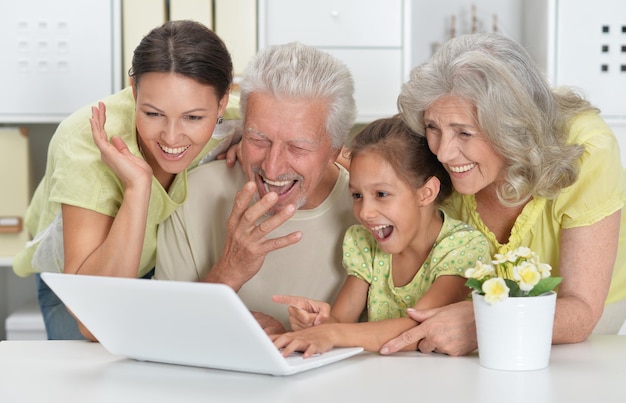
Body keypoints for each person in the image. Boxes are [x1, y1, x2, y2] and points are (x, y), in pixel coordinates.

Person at [379, 32, 626, 357]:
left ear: (513, 129)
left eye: (464, 133)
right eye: (433, 127)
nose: (443, 153)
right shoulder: (433, 150)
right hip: (471, 326)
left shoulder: (587, 149)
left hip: (576, 333)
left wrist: (485, 321)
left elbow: (580, 314)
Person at [13, 20, 238, 340]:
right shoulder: (87, 140)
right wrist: (137, 188)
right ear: (134, 91)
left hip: (161, 269)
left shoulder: (234, 120)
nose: (172, 136)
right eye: (153, 113)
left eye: (193, 117)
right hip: (79, 280)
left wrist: (257, 143)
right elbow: (94, 321)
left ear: (222, 104)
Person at [154, 42, 358, 331]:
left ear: (336, 150)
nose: (272, 168)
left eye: (297, 147)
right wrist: (229, 271)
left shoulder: (370, 212)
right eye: (258, 140)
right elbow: (162, 328)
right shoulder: (194, 193)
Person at [270, 115, 490, 356]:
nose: (365, 212)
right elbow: (341, 322)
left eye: (381, 194)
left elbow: (422, 328)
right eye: (357, 196)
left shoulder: (462, 247)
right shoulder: (365, 242)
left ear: (426, 193)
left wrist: (331, 334)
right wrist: (318, 324)